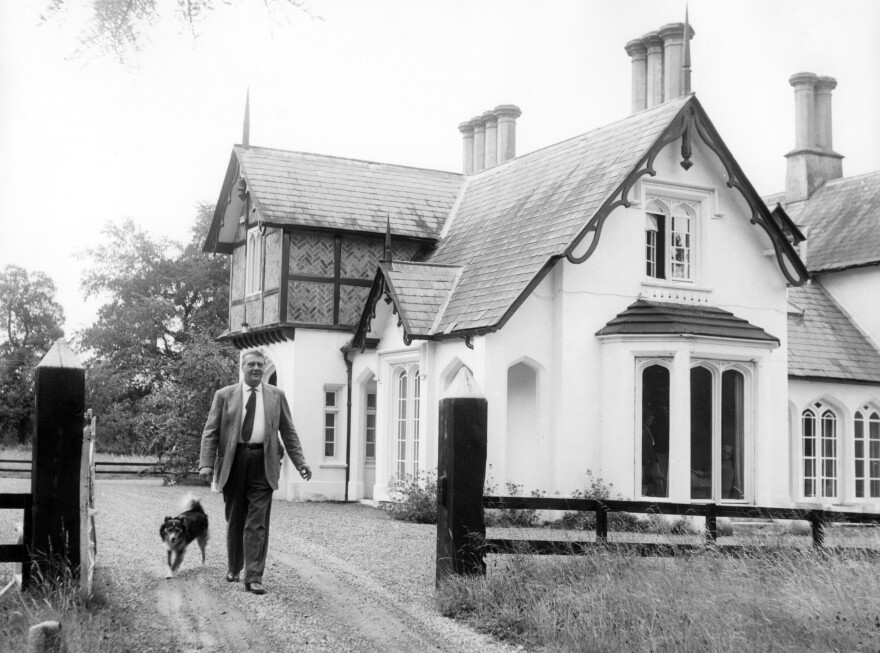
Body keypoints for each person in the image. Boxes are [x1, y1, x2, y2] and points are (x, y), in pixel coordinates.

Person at [199, 349, 311, 595]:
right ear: (243, 367)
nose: (257, 369)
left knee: (257, 522)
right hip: (234, 461)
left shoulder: (276, 396)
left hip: (263, 462)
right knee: (235, 518)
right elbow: (211, 431)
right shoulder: (224, 395)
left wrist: (300, 461)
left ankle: (253, 576)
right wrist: (206, 463)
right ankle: (234, 566)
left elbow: (288, 431)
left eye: (261, 364)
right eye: (251, 364)